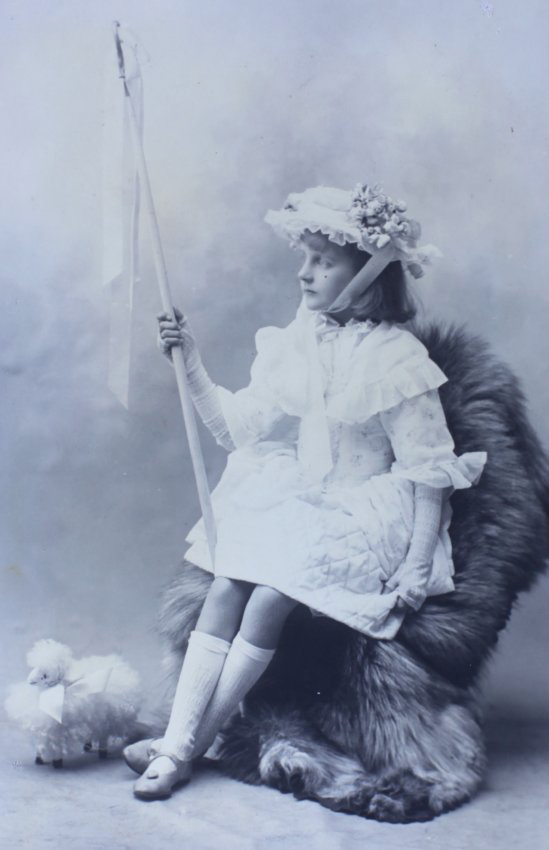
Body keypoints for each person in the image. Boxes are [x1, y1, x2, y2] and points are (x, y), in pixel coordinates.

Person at [126, 183, 488, 800]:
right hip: (305, 497)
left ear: (369, 274)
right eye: (306, 257)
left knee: (269, 596)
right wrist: (190, 361)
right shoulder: (300, 340)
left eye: (324, 260)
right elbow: (234, 428)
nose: (305, 272)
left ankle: (183, 747)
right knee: (225, 583)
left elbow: (429, 471)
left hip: (370, 513)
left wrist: (418, 562)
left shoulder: (397, 356)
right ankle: (183, 742)